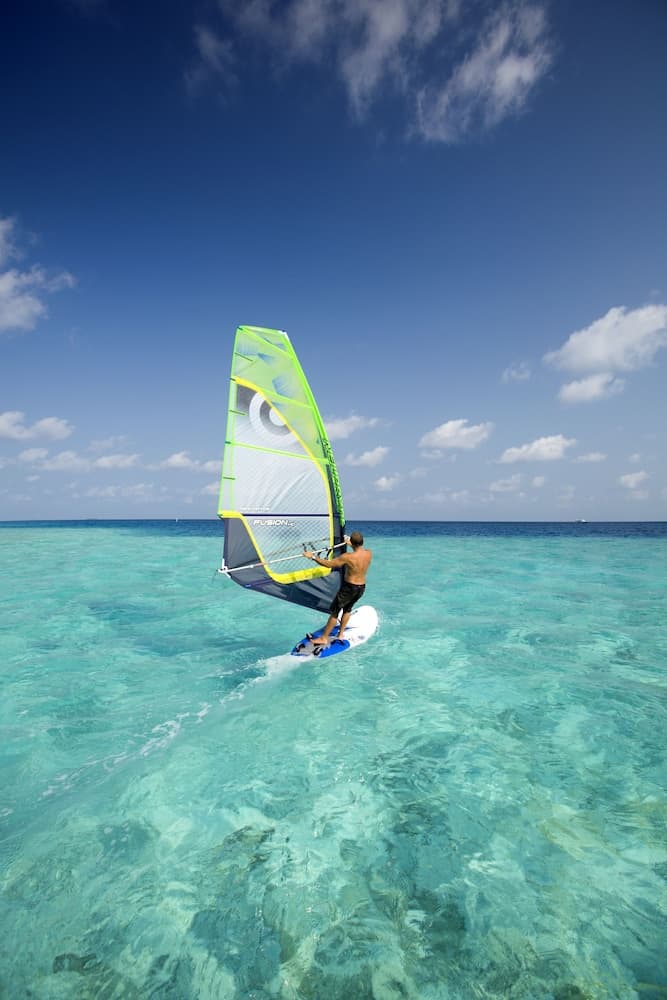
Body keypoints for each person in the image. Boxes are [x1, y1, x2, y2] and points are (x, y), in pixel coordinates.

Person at [304, 531, 372, 647]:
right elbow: (358, 550)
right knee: (347, 609)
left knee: (335, 613)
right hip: (361, 587)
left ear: (352, 542)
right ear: (362, 542)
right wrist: (350, 544)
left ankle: (324, 638)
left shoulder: (347, 557)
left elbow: (329, 564)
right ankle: (340, 634)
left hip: (349, 588)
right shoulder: (369, 553)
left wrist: (313, 557)